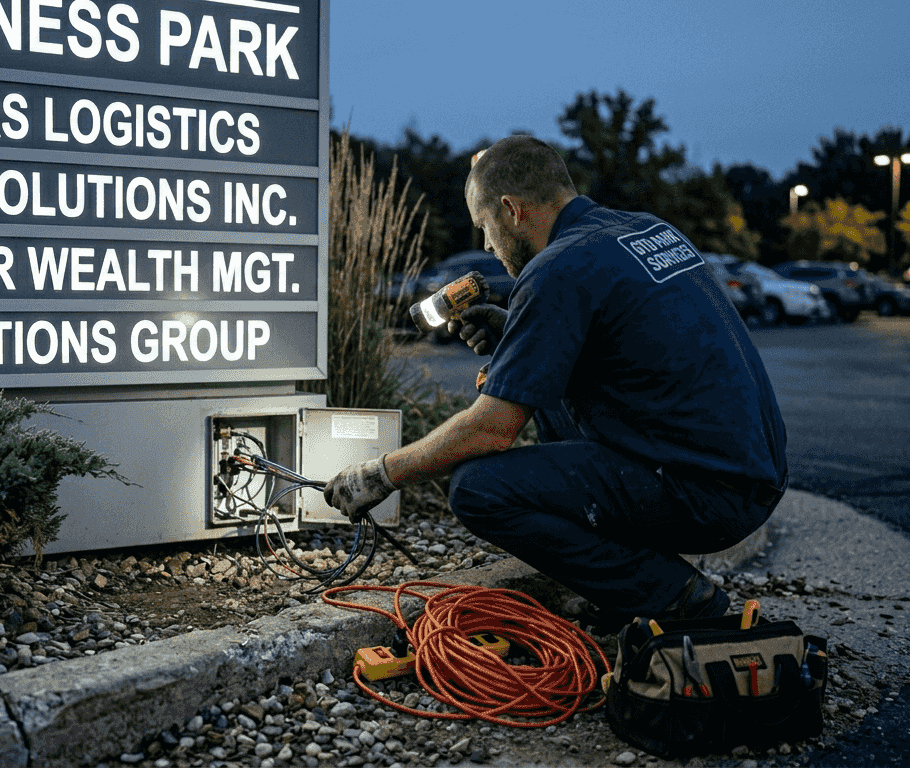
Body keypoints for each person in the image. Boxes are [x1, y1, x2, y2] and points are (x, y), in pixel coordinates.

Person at [324, 134, 787, 631]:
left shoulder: (556, 270)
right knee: (544, 396)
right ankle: (630, 579)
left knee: (479, 489)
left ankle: (673, 595)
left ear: (511, 210)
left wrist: (380, 475)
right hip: (754, 471)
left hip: (709, 496)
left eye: (485, 228)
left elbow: (490, 431)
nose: (486, 245)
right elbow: (634, 346)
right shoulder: (647, 230)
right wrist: (518, 334)